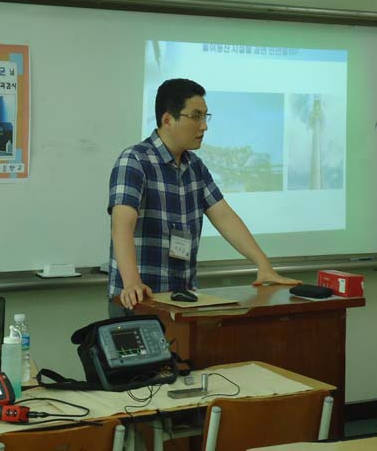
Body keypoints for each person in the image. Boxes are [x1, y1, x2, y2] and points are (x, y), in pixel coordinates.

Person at [107, 78, 301, 316]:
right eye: (196, 116)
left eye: (205, 117)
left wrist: (263, 265)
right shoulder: (135, 160)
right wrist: (132, 283)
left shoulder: (195, 166)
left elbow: (225, 217)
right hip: (139, 301)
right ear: (168, 120)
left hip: (182, 300)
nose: (204, 126)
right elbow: (121, 225)